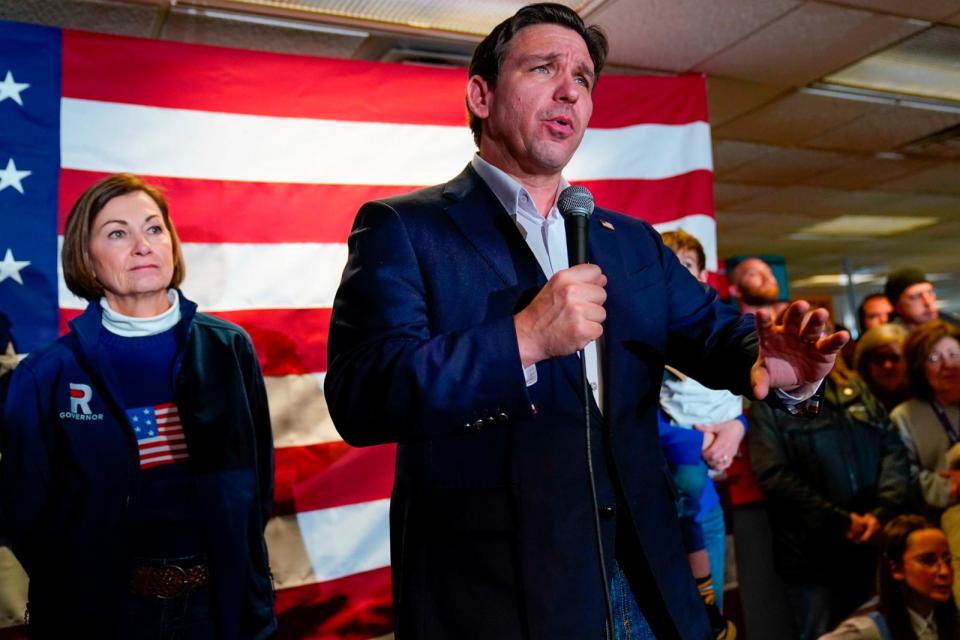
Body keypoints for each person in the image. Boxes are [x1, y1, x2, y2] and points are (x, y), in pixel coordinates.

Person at [325, 4, 847, 639]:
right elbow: (363, 396)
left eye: (584, 77)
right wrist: (521, 340)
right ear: (481, 95)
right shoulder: (405, 229)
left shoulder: (628, 241)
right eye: (544, 67)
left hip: (648, 585)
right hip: (502, 599)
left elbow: (716, 332)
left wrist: (782, 367)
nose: (570, 87)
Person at [0, 174, 276, 638]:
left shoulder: (229, 348)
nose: (143, 245)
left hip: (219, 609)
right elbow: (24, 515)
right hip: (103, 617)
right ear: (87, 259)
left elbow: (256, 486)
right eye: (117, 233)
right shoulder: (45, 375)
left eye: (153, 228)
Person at [749, 350, 911, 640]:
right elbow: (773, 475)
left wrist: (880, 513)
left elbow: (894, 452)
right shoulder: (771, 402)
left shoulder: (860, 390)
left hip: (871, 547)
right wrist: (842, 521)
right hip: (811, 556)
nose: (817, 345)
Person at [659, 229, 744, 637]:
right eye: (668, 266)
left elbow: (745, 399)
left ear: (704, 275)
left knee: (711, 619)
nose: (678, 275)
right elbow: (630, 416)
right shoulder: (637, 331)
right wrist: (699, 442)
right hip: (662, 501)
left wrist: (735, 429)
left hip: (706, 504)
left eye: (687, 267)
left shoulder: (718, 331)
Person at [891, 320, 960, 602]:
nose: (947, 365)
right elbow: (907, 477)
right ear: (919, 367)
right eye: (934, 358)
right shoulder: (904, 416)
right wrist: (952, 488)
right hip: (943, 533)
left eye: (954, 354)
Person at [820, 515, 958, 640]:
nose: (944, 572)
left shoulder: (949, 619)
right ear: (896, 569)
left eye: (947, 560)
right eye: (927, 561)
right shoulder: (868, 629)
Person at [854, 323, 910, 413]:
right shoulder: (854, 403)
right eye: (879, 358)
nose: (887, 365)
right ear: (865, 364)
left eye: (895, 358)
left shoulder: (923, 402)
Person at [885, 269, 960, 331]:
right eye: (915, 297)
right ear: (896, 306)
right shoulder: (889, 341)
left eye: (930, 293)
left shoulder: (953, 327)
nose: (927, 302)